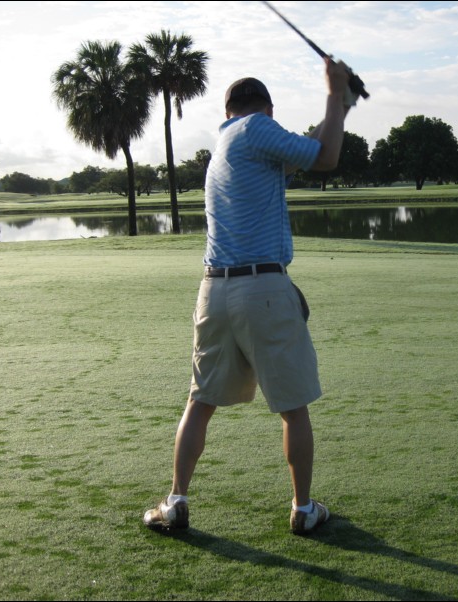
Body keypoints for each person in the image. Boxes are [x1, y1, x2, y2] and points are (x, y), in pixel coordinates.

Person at [144, 58, 355, 535]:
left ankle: (175, 501)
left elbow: (314, 146)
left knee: (200, 401)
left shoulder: (228, 144)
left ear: (227, 108)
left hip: (213, 290)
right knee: (293, 405)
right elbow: (326, 158)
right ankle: (303, 510)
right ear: (267, 110)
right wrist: (333, 92)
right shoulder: (258, 129)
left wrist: (338, 101)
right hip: (260, 288)